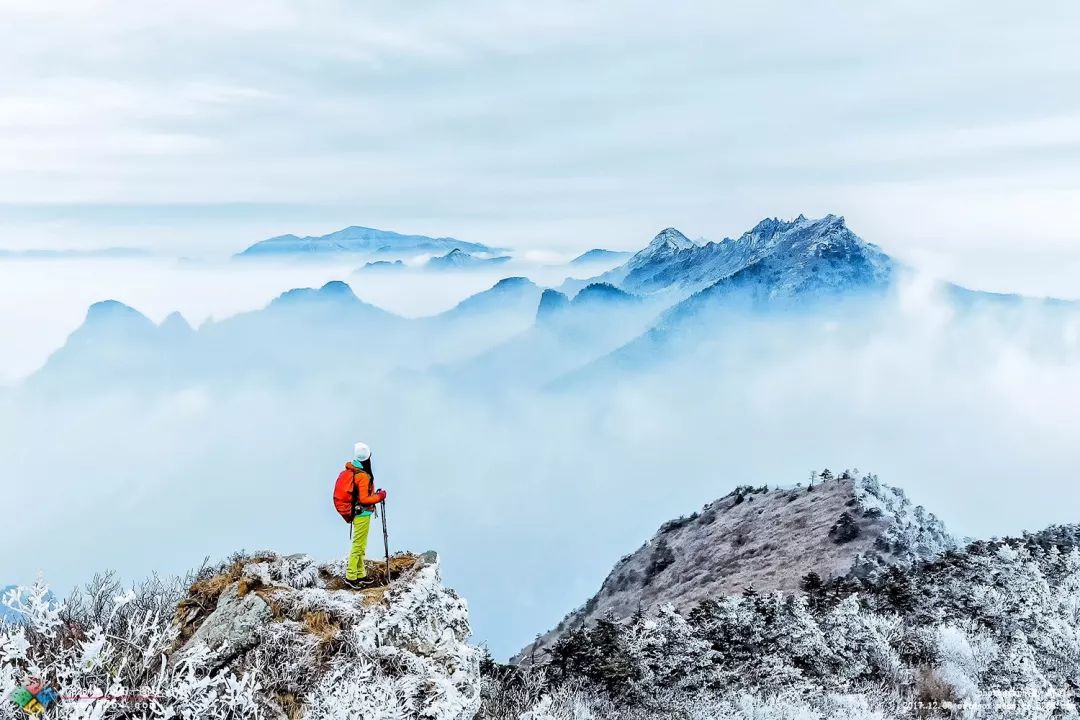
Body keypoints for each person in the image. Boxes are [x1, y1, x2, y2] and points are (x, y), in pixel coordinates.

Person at [332, 441, 387, 589]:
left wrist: (374, 494)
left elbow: (360, 495)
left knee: (361, 545)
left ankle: (360, 574)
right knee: (358, 545)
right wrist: (380, 496)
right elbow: (364, 499)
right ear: (368, 458)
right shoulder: (362, 476)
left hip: (358, 512)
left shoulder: (354, 469)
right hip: (362, 514)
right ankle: (351, 576)